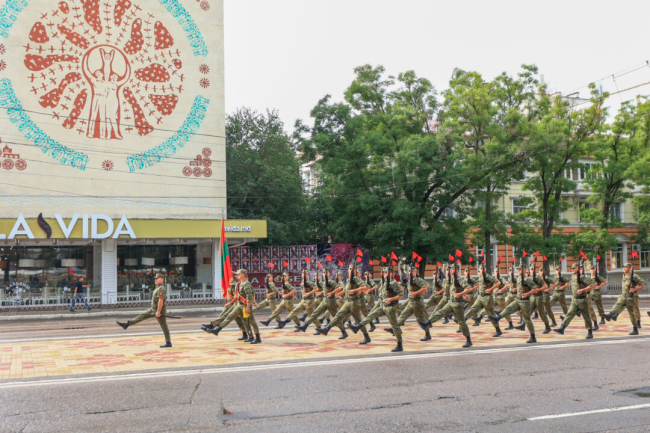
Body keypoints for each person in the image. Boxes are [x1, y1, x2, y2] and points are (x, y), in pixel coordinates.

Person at [417, 262, 473, 348]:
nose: (450, 271)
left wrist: (461, 294)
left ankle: (468, 340)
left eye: (452, 269)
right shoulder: (453, 279)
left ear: (456, 270)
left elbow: (469, 288)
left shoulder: (459, 279)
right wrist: (464, 294)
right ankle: (427, 322)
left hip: (458, 304)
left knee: (462, 322)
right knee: (441, 312)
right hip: (451, 302)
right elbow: (458, 289)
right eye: (450, 269)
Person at [349, 266, 404, 352]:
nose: (384, 274)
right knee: (371, 315)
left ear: (391, 273)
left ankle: (399, 345)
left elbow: (401, 295)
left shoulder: (393, 283)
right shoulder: (384, 282)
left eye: (386, 272)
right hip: (383, 306)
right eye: (384, 272)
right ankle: (358, 327)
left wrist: (392, 299)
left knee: (395, 326)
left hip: (390, 308)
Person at [315, 263, 371, 344]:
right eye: (349, 269)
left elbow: (365, 287)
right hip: (347, 301)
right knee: (338, 315)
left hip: (354, 302)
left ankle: (367, 337)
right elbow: (345, 289)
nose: (350, 270)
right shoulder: (348, 279)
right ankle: (326, 329)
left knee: (358, 320)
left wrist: (355, 290)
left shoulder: (355, 278)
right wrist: (339, 294)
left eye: (352, 269)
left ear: (355, 271)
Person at [117, 273, 172, 348]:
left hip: (159, 310)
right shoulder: (157, 288)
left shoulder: (161, 289)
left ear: (162, 279)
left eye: (157, 278)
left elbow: (160, 301)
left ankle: (168, 342)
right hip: (153, 309)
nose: (155, 280)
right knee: (142, 316)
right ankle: (127, 324)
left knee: (164, 326)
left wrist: (159, 312)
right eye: (155, 278)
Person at [208, 269, 262, 344]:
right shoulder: (240, 284)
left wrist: (248, 307)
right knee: (230, 316)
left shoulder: (246, 284)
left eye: (238, 274)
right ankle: (217, 330)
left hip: (245, 306)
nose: (237, 276)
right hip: (239, 305)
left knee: (251, 321)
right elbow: (238, 296)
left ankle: (257, 337)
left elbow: (249, 296)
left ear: (243, 275)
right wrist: (229, 303)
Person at [488, 265, 538, 344]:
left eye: (520, 270)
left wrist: (527, 294)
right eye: (518, 270)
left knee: (527, 319)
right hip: (518, 300)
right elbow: (521, 287)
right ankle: (497, 318)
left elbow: (535, 289)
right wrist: (517, 289)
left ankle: (533, 337)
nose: (518, 271)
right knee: (508, 308)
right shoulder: (518, 278)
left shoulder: (527, 279)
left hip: (525, 302)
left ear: (524, 270)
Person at [295, 269, 348, 338]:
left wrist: (332, 293)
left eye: (326, 273)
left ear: (329, 274)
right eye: (323, 273)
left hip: (331, 302)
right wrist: (337, 295)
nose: (324, 274)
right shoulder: (325, 282)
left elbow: (339, 288)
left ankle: (344, 332)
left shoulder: (330, 281)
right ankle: (305, 326)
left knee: (336, 318)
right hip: (325, 300)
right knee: (315, 313)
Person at [552, 264, 595, 339]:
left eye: (574, 268)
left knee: (586, 317)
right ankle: (562, 328)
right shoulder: (572, 276)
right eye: (571, 268)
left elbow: (593, 284)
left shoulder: (582, 277)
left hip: (582, 300)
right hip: (575, 300)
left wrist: (583, 290)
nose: (572, 269)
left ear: (577, 268)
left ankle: (590, 331)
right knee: (569, 314)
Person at [604, 262, 646, 335]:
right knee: (617, 304)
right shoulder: (623, 275)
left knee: (631, 313)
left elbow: (643, 284)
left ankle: (635, 329)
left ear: (630, 268)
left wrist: (634, 289)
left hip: (630, 298)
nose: (624, 268)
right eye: (623, 267)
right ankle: (610, 315)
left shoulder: (634, 276)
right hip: (623, 296)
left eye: (626, 267)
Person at [464, 264, 503, 338]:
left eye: (483, 268)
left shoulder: (488, 276)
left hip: (487, 298)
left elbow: (498, 282)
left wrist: (490, 289)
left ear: (485, 269)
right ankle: (464, 319)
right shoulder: (480, 277)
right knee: (473, 308)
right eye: (480, 269)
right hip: (480, 297)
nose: (482, 270)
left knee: (491, 315)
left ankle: (498, 330)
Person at [395, 265, 431, 341]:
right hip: (410, 302)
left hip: (417, 303)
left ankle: (428, 334)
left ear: (416, 272)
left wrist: (416, 293)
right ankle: (394, 328)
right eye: (409, 271)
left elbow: (425, 287)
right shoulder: (410, 280)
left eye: (412, 271)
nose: (410, 272)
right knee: (402, 316)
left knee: (421, 320)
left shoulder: (416, 280)